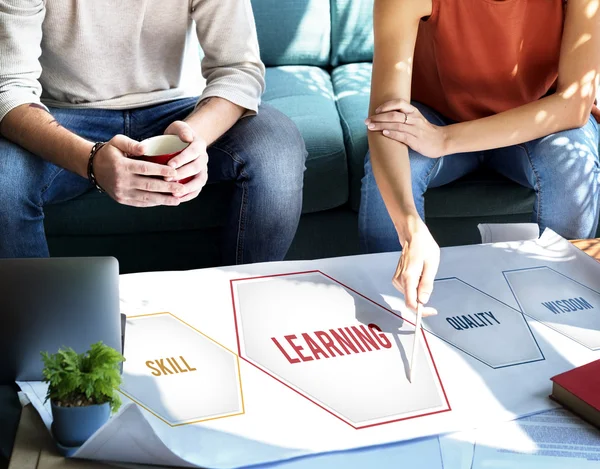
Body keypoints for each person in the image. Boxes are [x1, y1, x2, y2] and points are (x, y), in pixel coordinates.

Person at [0, 1, 307, 265]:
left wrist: (195, 136)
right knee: (4, 178)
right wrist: (90, 161)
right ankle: (38, 330)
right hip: (65, 115)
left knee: (276, 147)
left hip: (178, 108)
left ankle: (242, 314)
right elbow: (9, 89)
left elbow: (239, 68)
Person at [361, 0, 600, 312]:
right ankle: (391, 311)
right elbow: (387, 117)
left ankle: (560, 309)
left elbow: (573, 105)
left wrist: (444, 140)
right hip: (435, 116)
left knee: (572, 167)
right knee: (393, 176)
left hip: (534, 119)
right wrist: (409, 227)